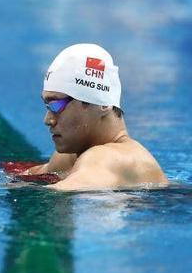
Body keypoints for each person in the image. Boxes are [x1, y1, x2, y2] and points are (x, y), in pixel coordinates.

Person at [23, 43, 167, 191]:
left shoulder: (109, 158)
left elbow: (54, 194)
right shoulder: (69, 157)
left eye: (56, 105)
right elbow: (25, 177)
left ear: (102, 104)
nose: (47, 120)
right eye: (47, 105)